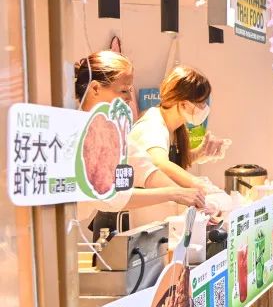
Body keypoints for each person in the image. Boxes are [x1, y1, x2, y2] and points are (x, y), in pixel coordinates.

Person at [74, 52, 205, 230]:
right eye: (123, 90)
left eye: (130, 90)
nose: (129, 98)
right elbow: (110, 196)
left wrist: (187, 195)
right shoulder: (77, 132)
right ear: (95, 88)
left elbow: (145, 169)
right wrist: (175, 193)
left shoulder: (110, 129)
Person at [127, 65, 227, 190]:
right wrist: (197, 184)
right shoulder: (152, 125)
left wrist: (199, 153)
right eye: (200, 103)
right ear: (183, 104)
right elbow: (159, 163)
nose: (205, 108)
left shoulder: (175, 127)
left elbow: (173, 160)